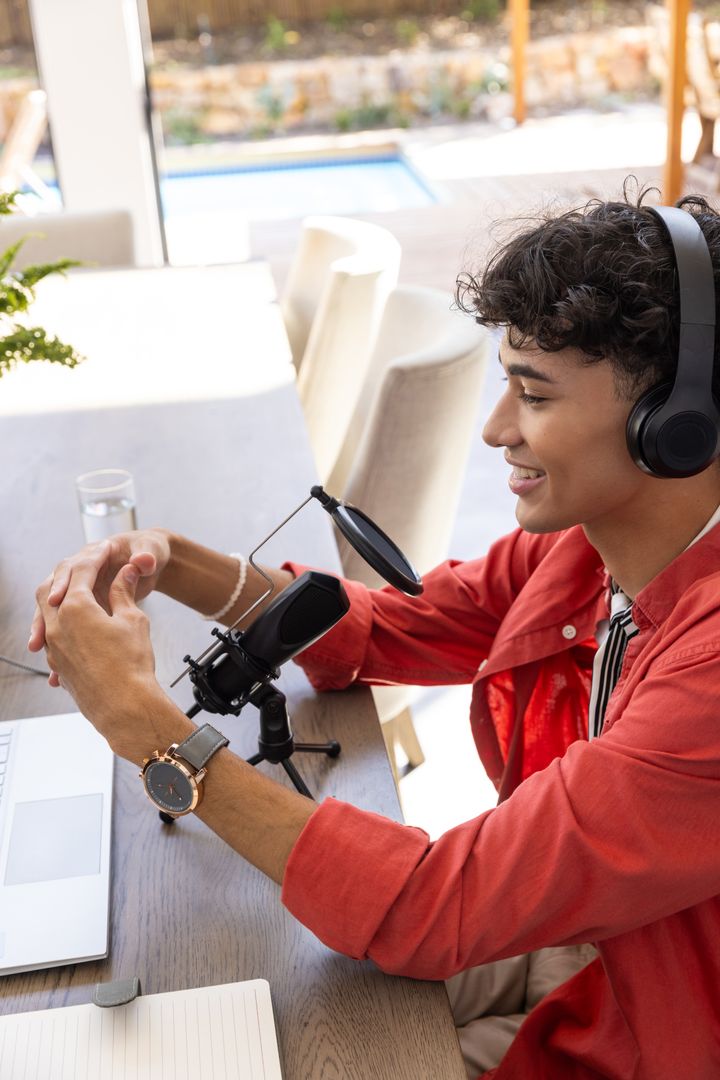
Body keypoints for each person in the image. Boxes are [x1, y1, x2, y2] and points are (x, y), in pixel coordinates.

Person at [29, 188, 720, 1079]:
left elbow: (434, 907)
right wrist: (177, 562)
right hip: (589, 941)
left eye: (533, 395)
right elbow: (399, 626)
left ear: (672, 424)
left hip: (659, 1021)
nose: (496, 428)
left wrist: (147, 727)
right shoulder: (589, 552)